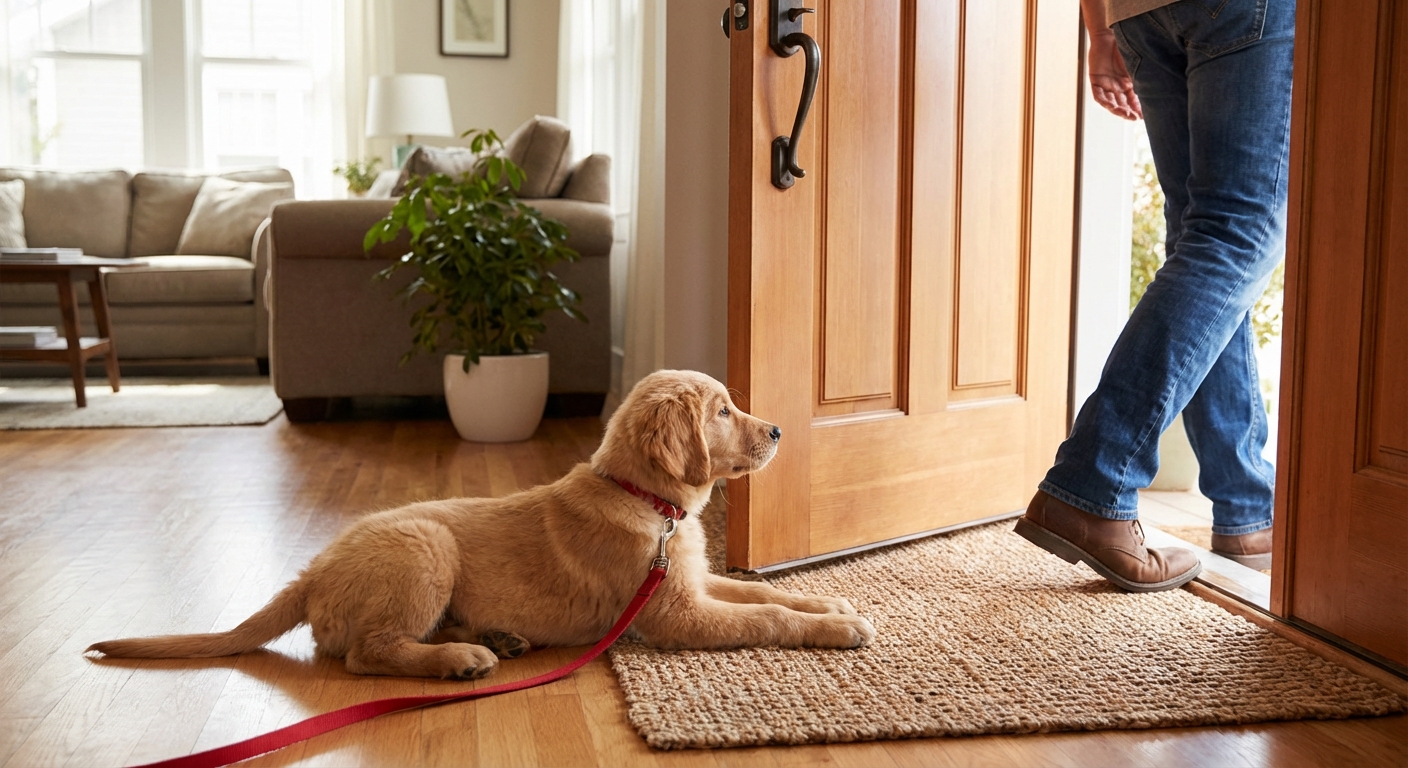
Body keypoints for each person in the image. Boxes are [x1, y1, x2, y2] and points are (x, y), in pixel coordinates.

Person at [1014, 0, 1294, 591]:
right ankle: (1094, 482)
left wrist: (1100, 28)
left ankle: (1246, 507)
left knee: (1206, 236)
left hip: (1137, 13)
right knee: (1234, 236)